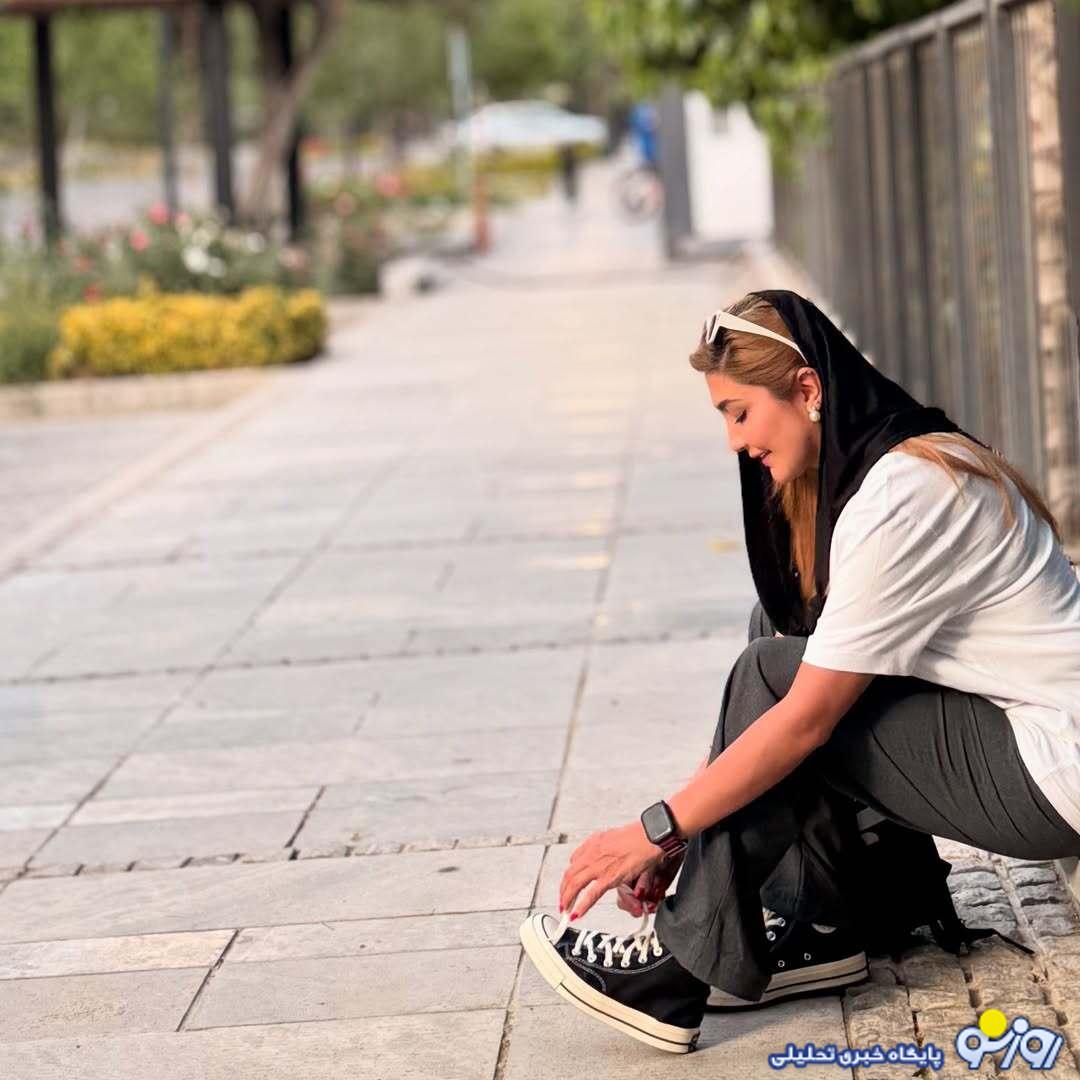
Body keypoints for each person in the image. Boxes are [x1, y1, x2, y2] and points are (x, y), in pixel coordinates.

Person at [518, 289, 1080, 1054]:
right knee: (778, 634)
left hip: (1052, 770)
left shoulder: (905, 494)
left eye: (739, 412)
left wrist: (660, 829)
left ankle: (676, 975)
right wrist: (686, 837)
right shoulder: (889, 468)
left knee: (780, 676)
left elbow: (803, 718)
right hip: (1013, 740)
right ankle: (830, 924)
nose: (734, 442)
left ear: (807, 389)